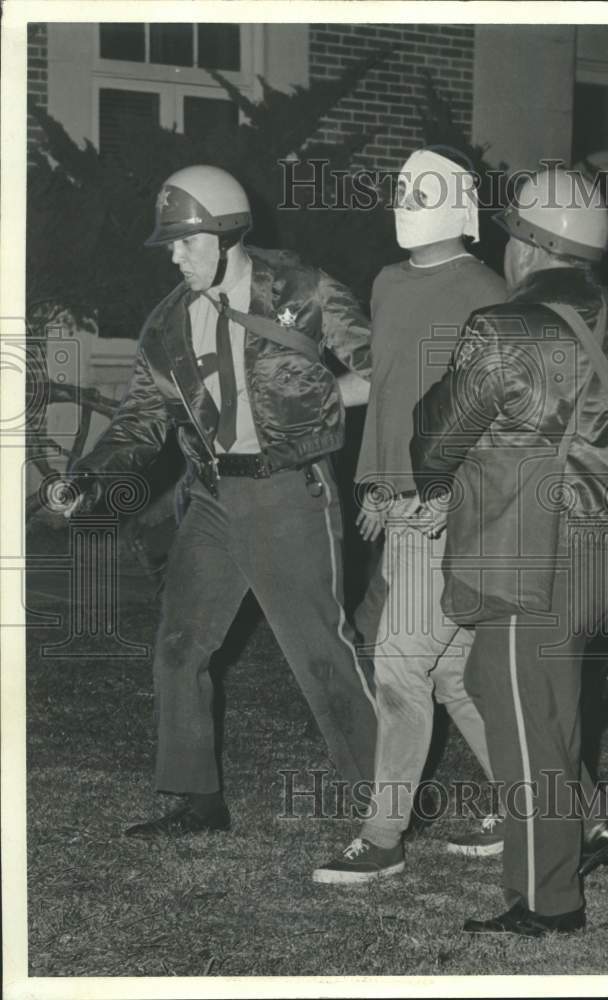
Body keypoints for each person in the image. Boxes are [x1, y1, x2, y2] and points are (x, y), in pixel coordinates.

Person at [312, 150, 608, 884]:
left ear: (463, 206)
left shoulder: (489, 292)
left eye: (425, 190)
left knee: (400, 664)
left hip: (456, 509)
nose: (408, 201)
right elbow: (392, 387)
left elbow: (506, 414)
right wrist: (374, 478)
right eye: (403, 189)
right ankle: (583, 816)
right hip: (406, 502)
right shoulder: (387, 283)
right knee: (460, 674)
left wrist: (441, 497)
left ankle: (383, 836)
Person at [52, 165, 377, 837]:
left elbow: (381, 370)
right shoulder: (168, 324)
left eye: (185, 242)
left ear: (227, 235)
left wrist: (320, 403)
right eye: (170, 244)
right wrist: (86, 476)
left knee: (320, 653)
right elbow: (140, 422)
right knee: (179, 644)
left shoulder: (304, 290)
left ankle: (385, 801)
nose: (175, 257)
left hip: (288, 489)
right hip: (210, 496)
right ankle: (196, 799)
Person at [410, 166, 608, 936]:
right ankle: (578, 832)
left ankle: (546, 899)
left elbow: (435, 441)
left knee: (524, 725)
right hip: (605, 548)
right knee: (530, 697)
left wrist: (434, 472)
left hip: (527, 553)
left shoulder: (502, 327)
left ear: (526, 245)